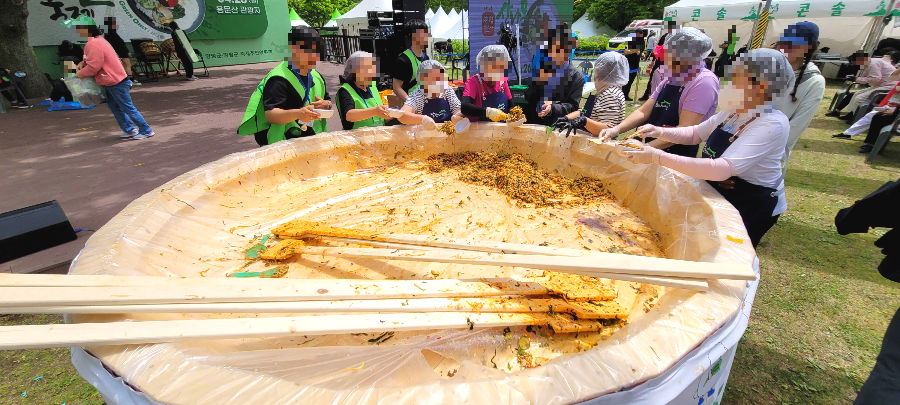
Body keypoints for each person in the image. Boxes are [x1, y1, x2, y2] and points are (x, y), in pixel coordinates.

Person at [616, 48, 794, 247]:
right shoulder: (732, 113)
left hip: (750, 201)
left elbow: (722, 168)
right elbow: (695, 134)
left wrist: (655, 156)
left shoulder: (771, 123)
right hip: (722, 191)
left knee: (729, 252)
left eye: (736, 78)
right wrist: (658, 131)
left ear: (761, 85)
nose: (730, 83)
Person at [600, 27, 719, 158]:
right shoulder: (671, 78)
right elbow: (643, 111)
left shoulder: (704, 82)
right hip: (653, 148)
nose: (667, 62)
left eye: (674, 59)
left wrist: (645, 148)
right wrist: (616, 129)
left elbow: (684, 129)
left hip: (676, 155)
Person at [770, 22, 825, 228]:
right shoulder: (771, 66)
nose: (786, 48)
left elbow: (794, 128)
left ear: (812, 46)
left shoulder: (813, 81)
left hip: (772, 147)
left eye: (794, 45)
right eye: (783, 43)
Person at [237, 26, 332, 146]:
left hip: (309, 138)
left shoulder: (316, 76)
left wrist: (327, 105)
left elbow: (327, 100)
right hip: (282, 142)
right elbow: (272, 115)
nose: (313, 56)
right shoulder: (278, 78)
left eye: (316, 50)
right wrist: (298, 114)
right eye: (307, 50)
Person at [70, 15, 154, 140]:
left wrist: (80, 74)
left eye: (79, 28)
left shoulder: (94, 43)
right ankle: (130, 129)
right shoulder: (98, 41)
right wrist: (82, 64)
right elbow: (91, 60)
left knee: (127, 107)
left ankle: (146, 130)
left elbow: (93, 66)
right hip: (113, 81)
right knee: (116, 107)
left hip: (115, 82)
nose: (77, 31)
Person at [551, 52, 628, 137]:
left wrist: (584, 121)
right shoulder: (604, 90)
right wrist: (566, 118)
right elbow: (585, 111)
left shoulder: (611, 95)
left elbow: (608, 129)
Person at [523, 23, 585, 126]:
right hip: (532, 120)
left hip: (554, 125)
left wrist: (552, 108)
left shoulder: (576, 77)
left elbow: (573, 106)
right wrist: (537, 83)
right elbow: (528, 97)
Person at [827, 49, 900, 121]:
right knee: (856, 94)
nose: (854, 65)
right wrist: (857, 79)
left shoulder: (872, 63)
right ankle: (852, 114)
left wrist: (856, 79)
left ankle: (857, 117)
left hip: (889, 86)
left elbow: (875, 79)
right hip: (882, 85)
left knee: (860, 98)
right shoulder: (871, 62)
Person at [397, 60, 461, 129]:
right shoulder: (418, 94)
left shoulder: (447, 90)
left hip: (447, 135)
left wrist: (457, 116)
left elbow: (457, 109)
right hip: (424, 137)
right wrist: (423, 119)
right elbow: (402, 115)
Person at [337, 51, 391, 130]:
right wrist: (375, 111)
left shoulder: (372, 86)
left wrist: (387, 114)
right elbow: (349, 115)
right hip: (356, 138)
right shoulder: (345, 90)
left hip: (378, 135)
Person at [460, 45, 513, 122]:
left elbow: (511, 105)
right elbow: (465, 107)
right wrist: (487, 112)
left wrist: (514, 113)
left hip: (501, 129)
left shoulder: (502, 81)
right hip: (480, 130)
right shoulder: (473, 82)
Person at [391, 19, 430, 103]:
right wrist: (411, 103)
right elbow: (396, 87)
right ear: (411, 35)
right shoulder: (402, 60)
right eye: (421, 33)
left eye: (426, 33)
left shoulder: (426, 58)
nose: (425, 36)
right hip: (410, 109)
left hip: (426, 104)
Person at [640, 20, 677, 101]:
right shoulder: (664, 36)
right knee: (653, 78)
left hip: (669, 62)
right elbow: (657, 48)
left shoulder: (676, 38)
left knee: (666, 80)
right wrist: (653, 60)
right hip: (659, 61)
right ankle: (648, 95)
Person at [103, 17, 138, 85]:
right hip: (121, 52)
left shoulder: (107, 34)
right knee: (128, 65)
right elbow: (120, 44)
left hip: (114, 53)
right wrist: (127, 51)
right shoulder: (114, 35)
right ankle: (130, 79)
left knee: (122, 66)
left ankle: (124, 79)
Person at [621, 29, 645, 100]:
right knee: (626, 80)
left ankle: (626, 94)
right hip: (629, 62)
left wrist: (641, 54)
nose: (641, 35)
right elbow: (626, 52)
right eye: (640, 34)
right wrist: (634, 51)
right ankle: (622, 94)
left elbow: (640, 51)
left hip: (636, 63)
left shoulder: (641, 42)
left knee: (631, 80)